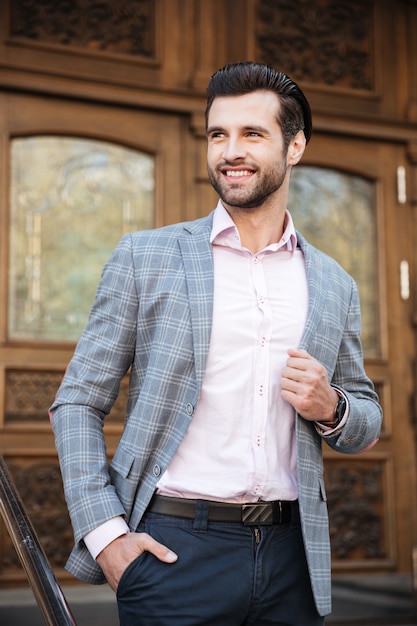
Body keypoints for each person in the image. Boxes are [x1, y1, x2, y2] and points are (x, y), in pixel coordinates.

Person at [50, 61, 382, 626]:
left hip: (292, 558)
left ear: (294, 146)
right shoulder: (145, 257)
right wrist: (107, 536)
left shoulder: (333, 284)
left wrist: (332, 408)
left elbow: (367, 419)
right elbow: (77, 400)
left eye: (253, 134)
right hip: (175, 550)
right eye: (218, 134)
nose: (231, 150)